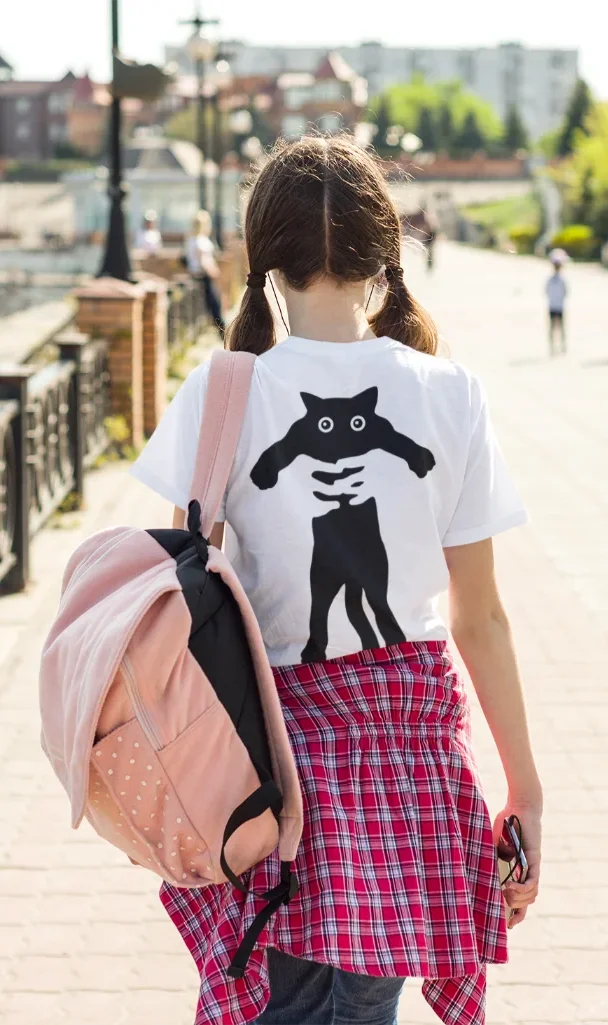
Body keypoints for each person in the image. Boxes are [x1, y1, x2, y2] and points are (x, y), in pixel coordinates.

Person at [130, 136, 542, 1025]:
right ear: (385, 254)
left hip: (269, 772)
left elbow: (182, 612)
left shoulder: (222, 392)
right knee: (363, 1009)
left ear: (265, 260)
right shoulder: (451, 391)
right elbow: (483, 621)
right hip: (411, 766)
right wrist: (526, 789)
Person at [185, 209, 226, 338]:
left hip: (195, 275)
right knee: (214, 305)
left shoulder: (191, 240)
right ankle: (222, 330)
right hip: (204, 276)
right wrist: (215, 273)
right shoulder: (200, 240)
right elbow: (204, 261)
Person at [545, 255, 568, 355]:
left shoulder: (550, 279)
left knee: (553, 327)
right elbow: (566, 292)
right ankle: (561, 345)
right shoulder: (562, 279)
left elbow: (546, 291)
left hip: (552, 305)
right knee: (560, 327)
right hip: (559, 305)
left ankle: (553, 346)